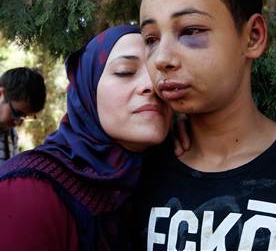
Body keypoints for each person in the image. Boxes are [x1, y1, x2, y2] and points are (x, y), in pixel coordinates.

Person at [135, 0, 276, 250]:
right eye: (150, 39)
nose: (162, 58)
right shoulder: (131, 177)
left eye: (190, 31)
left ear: (253, 36)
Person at [0, 26, 173, 251]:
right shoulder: (29, 192)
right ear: (87, 91)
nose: (151, 85)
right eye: (125, 71)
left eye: (159, 74)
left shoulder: (171, 170)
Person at [0, 67, 46, 165]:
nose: (18, 123)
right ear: (1, 95)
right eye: (16, 113)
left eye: (24, 117)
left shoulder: (11, 135)